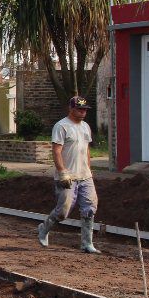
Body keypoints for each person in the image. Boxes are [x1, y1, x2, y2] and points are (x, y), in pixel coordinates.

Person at [37, 96, 100, 254]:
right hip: (68, 176)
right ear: (71, 109)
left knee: (90, 208)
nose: (83, 112)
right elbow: (56, 151)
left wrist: (89, 169)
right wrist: (62, 172)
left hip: (85, 176)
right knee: (63, 211)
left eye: (85, 109)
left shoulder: (85, 127)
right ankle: (44, 228)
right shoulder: (61, 126)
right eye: (79, 109)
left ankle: (87, 243)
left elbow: (86, 150)